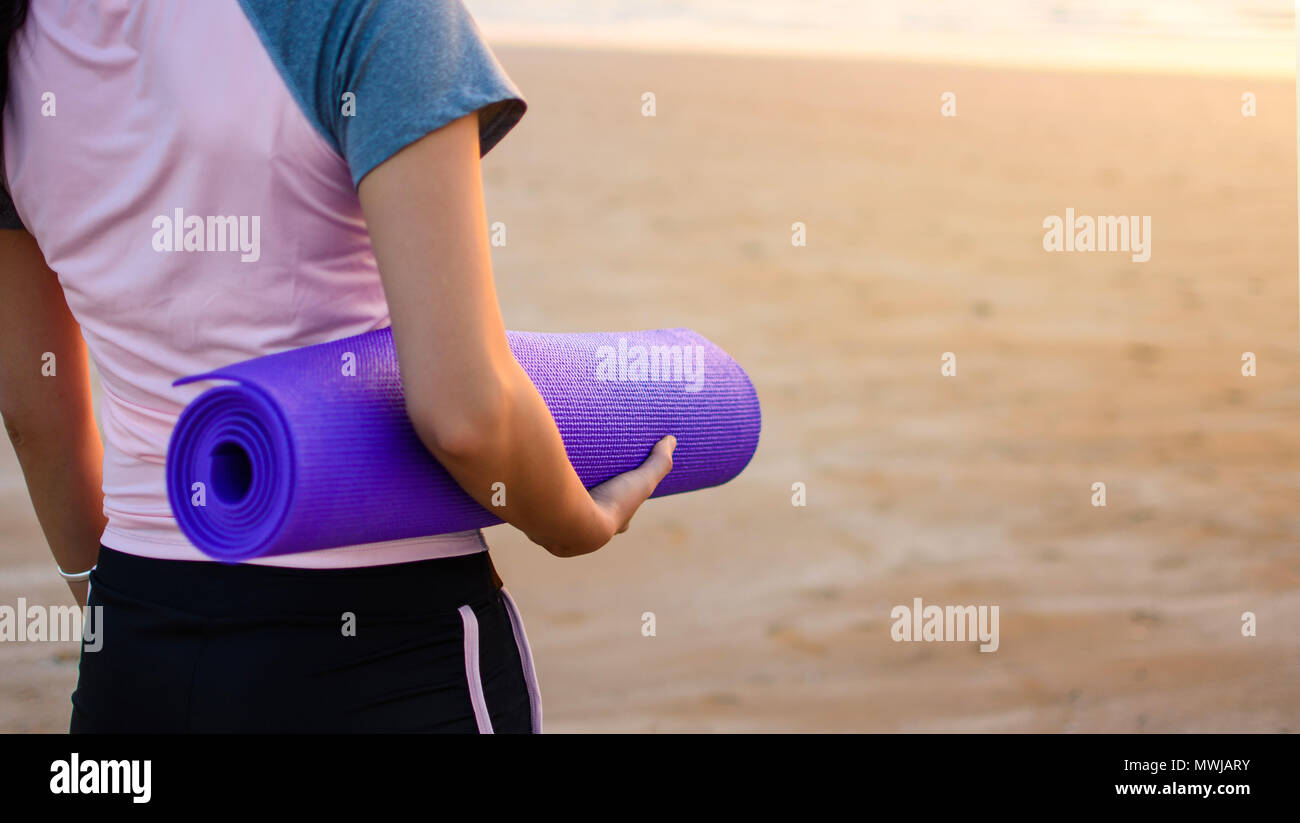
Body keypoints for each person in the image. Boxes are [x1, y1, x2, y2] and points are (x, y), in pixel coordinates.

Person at [0, 0, 675, 733]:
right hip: (381, 648)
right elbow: (466, 412)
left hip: (136, 649)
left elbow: (39, 418)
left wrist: (115, 607)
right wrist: (579, 521)